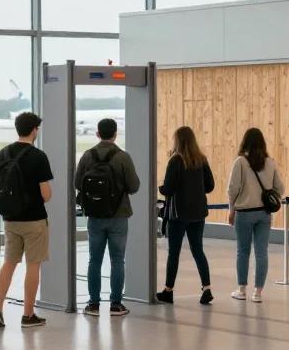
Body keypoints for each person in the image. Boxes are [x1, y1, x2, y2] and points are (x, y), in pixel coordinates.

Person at [0, 112, 55, 328]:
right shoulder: (38, 156)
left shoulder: (3, 153)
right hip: (34, 220)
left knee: (8, 263)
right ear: (34, 129)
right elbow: (46, 194)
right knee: (33, 266)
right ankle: (28, 314)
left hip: (10, 218)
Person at [75, 118, 141, 317]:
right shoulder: (123, 157)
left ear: (97, 134)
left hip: (94, 216)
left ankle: (93, 304)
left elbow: (78, 183)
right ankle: (115, 304)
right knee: (117, 260)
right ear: (115, 134)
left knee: (94, 260)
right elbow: (134, 186)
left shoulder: (88, 155)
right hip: (119, 215)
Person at [156, 126, 213, 307]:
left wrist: (159, 188)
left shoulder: (176, 160)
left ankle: (168, 291)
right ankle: (207, 288)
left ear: (177, 141)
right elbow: (210, 185)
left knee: (174, 253)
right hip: (198, 213)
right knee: (198, 251)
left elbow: (169, 188)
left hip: (178, 214)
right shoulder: (201, 159)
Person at [227, 128, 284, 303]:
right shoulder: (270, 162)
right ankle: (258, 292)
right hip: (264, 214)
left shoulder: (240, 162)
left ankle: (242, 289)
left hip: (244, 213)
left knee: (243, 251)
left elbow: (232, 189)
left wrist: (231, 210)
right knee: (261, 252)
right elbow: (280, 188)